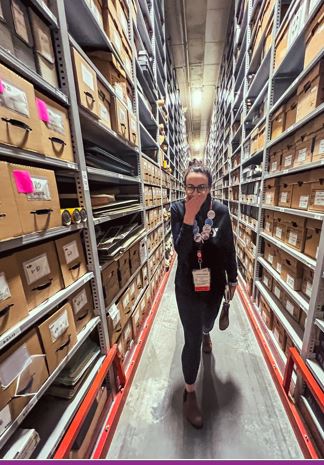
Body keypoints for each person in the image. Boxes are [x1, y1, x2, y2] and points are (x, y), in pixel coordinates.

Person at [171, 159, 238, 429]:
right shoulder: (177, 210)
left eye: (201, 187)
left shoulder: (221, 211)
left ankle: (207, 333)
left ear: (210, 188)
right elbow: (181, 250)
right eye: (190, 187)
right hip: (187, 284)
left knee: (206, 324)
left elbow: (228, 248)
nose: (195, 192)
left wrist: (232, 278)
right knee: (191, 338)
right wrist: (189, 217)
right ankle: (190, 393)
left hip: (213, 284)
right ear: (184, 186)